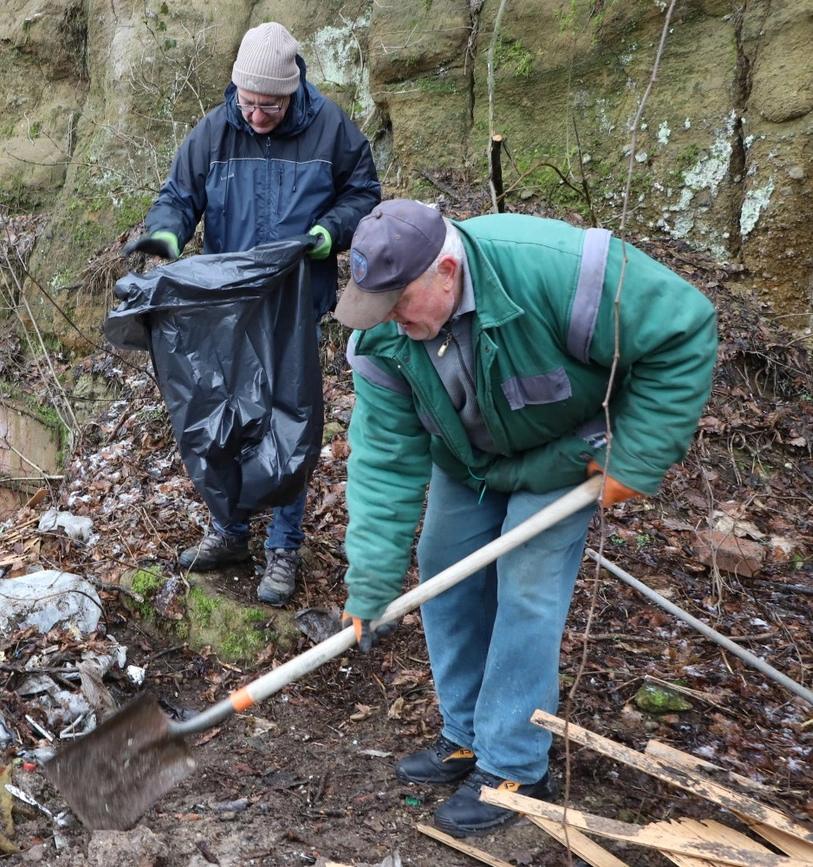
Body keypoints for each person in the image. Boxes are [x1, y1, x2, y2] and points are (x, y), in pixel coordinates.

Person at [335, 200, 717, 836]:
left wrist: (637, 456)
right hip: (470, 461)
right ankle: (465, 733)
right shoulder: (383, 337)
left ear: (447, 271)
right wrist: (371, 585)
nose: (393, 323)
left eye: (401, 303)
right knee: (445, 572)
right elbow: (383, 465)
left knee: (526, 587)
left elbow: (685, 330)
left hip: (568, 455)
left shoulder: (558, 272)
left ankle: (513, 765)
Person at [126, 21, 381, 605]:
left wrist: (329, 234)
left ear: (291, 92)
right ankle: (232, 532)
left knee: (287, 420)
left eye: (269, 105)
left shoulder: (332, 129)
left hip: (295, 301)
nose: (258, 115)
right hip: (228, 308)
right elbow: (178, 197)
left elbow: (364, 194)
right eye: (249, 103)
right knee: (226, 416)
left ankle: (284, 547)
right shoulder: (215, 132)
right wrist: (166, 237)